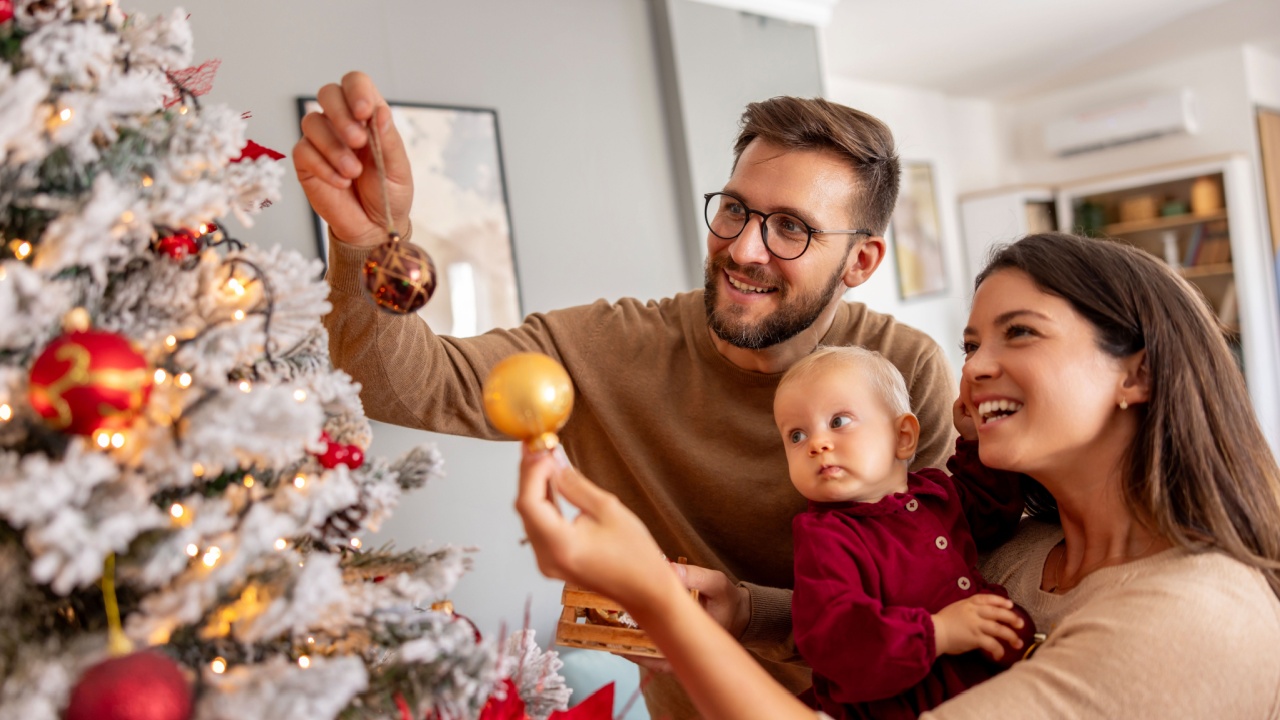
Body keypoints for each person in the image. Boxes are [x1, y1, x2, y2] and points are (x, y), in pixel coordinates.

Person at [294, 73, 959, 718]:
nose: (744, 248)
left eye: (791, 227)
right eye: (734, 210)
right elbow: (398, 386)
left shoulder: (903, 371)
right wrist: (369, 241)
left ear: (861, 262)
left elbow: (941, 591)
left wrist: (743, 612)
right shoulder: (605, 349)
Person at [516, 232, 1280, 719]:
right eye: (973, 341)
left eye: (1020, 334)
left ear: (1138, 375)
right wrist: (745, 611)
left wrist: (660, 604)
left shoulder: (1194, 619)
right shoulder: (1018, 548)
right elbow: (903, 591)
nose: (976, 367)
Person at [776, 346, 1035, 719]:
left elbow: (992, 510)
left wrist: (974, 440)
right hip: (899, 702)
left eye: (838, 422)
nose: (817, 444)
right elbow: (836, 635)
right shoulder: (825, 536)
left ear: (903, 437)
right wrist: (939, 632)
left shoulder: (935, 493)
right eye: (796, 435)